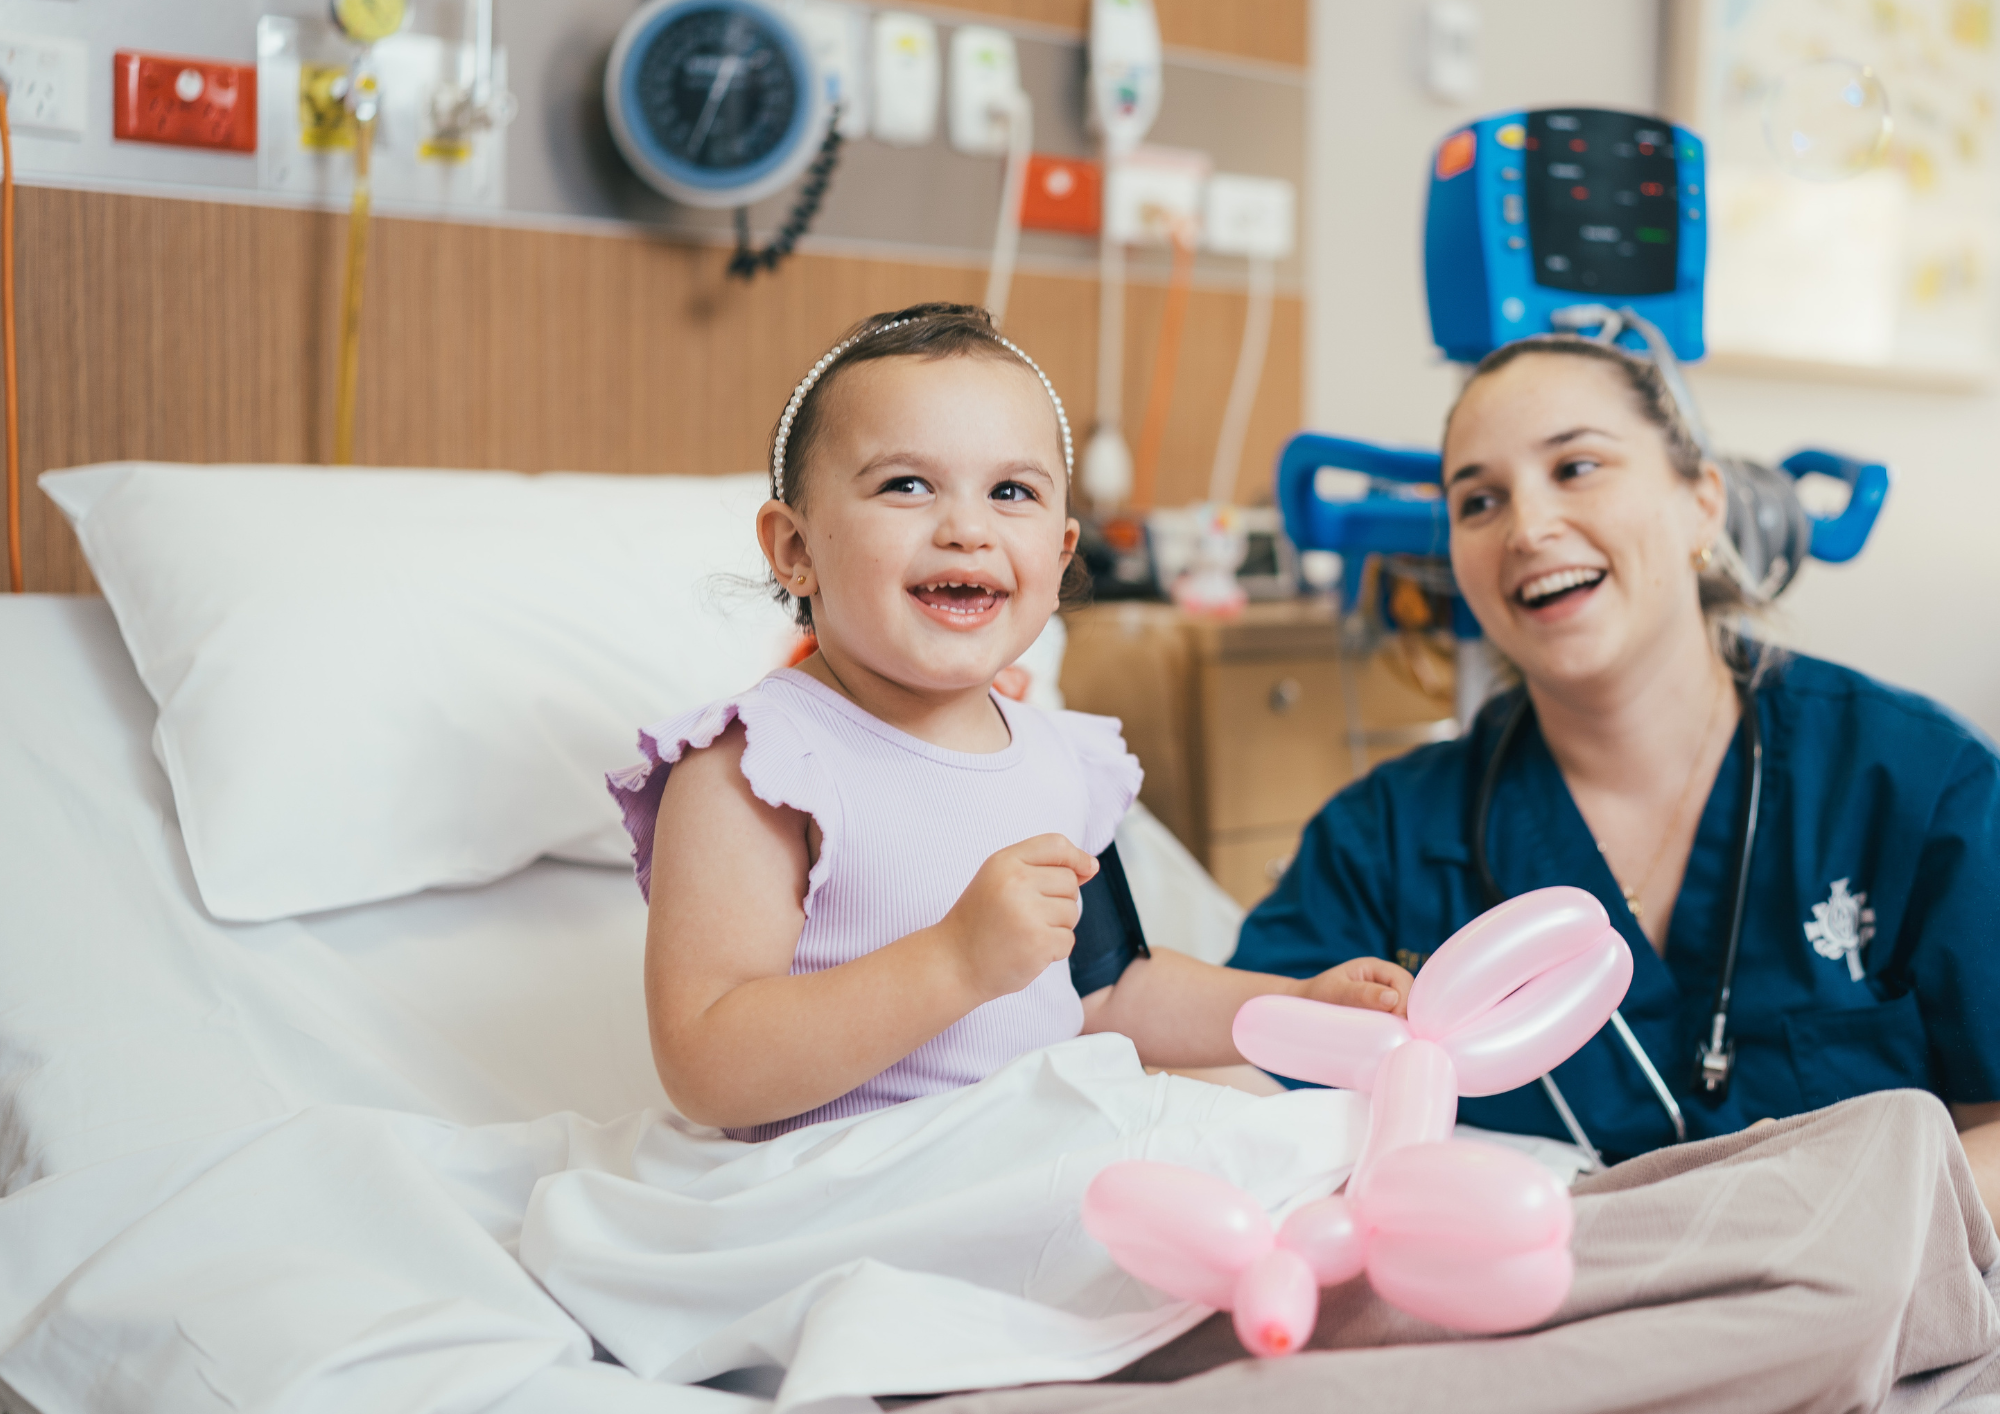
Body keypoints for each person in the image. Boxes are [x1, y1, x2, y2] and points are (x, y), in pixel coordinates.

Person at [1230, 334, 2000, 1215]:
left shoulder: (1915, 784)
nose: (1527, 528)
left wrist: (1827, 1236)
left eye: (1578, 466)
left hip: (1871, 1324)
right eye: (1478, 500)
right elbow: (1237, 1086)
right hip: (1530, 1332)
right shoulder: (1385, 843)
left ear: (1702, 502)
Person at [607, 303, 1412, 1140]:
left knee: (1271, 1114)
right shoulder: (762, 764)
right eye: (906, 485)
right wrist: (954, 961)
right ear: (795, 549)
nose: (967, 529)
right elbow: (706, 1064)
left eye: (1011, 492)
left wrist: (1294, 1003)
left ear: (1061, 557)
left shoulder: (1059, 760)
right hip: (851, 1183)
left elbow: (1109, 993)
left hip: (1027, 1148)